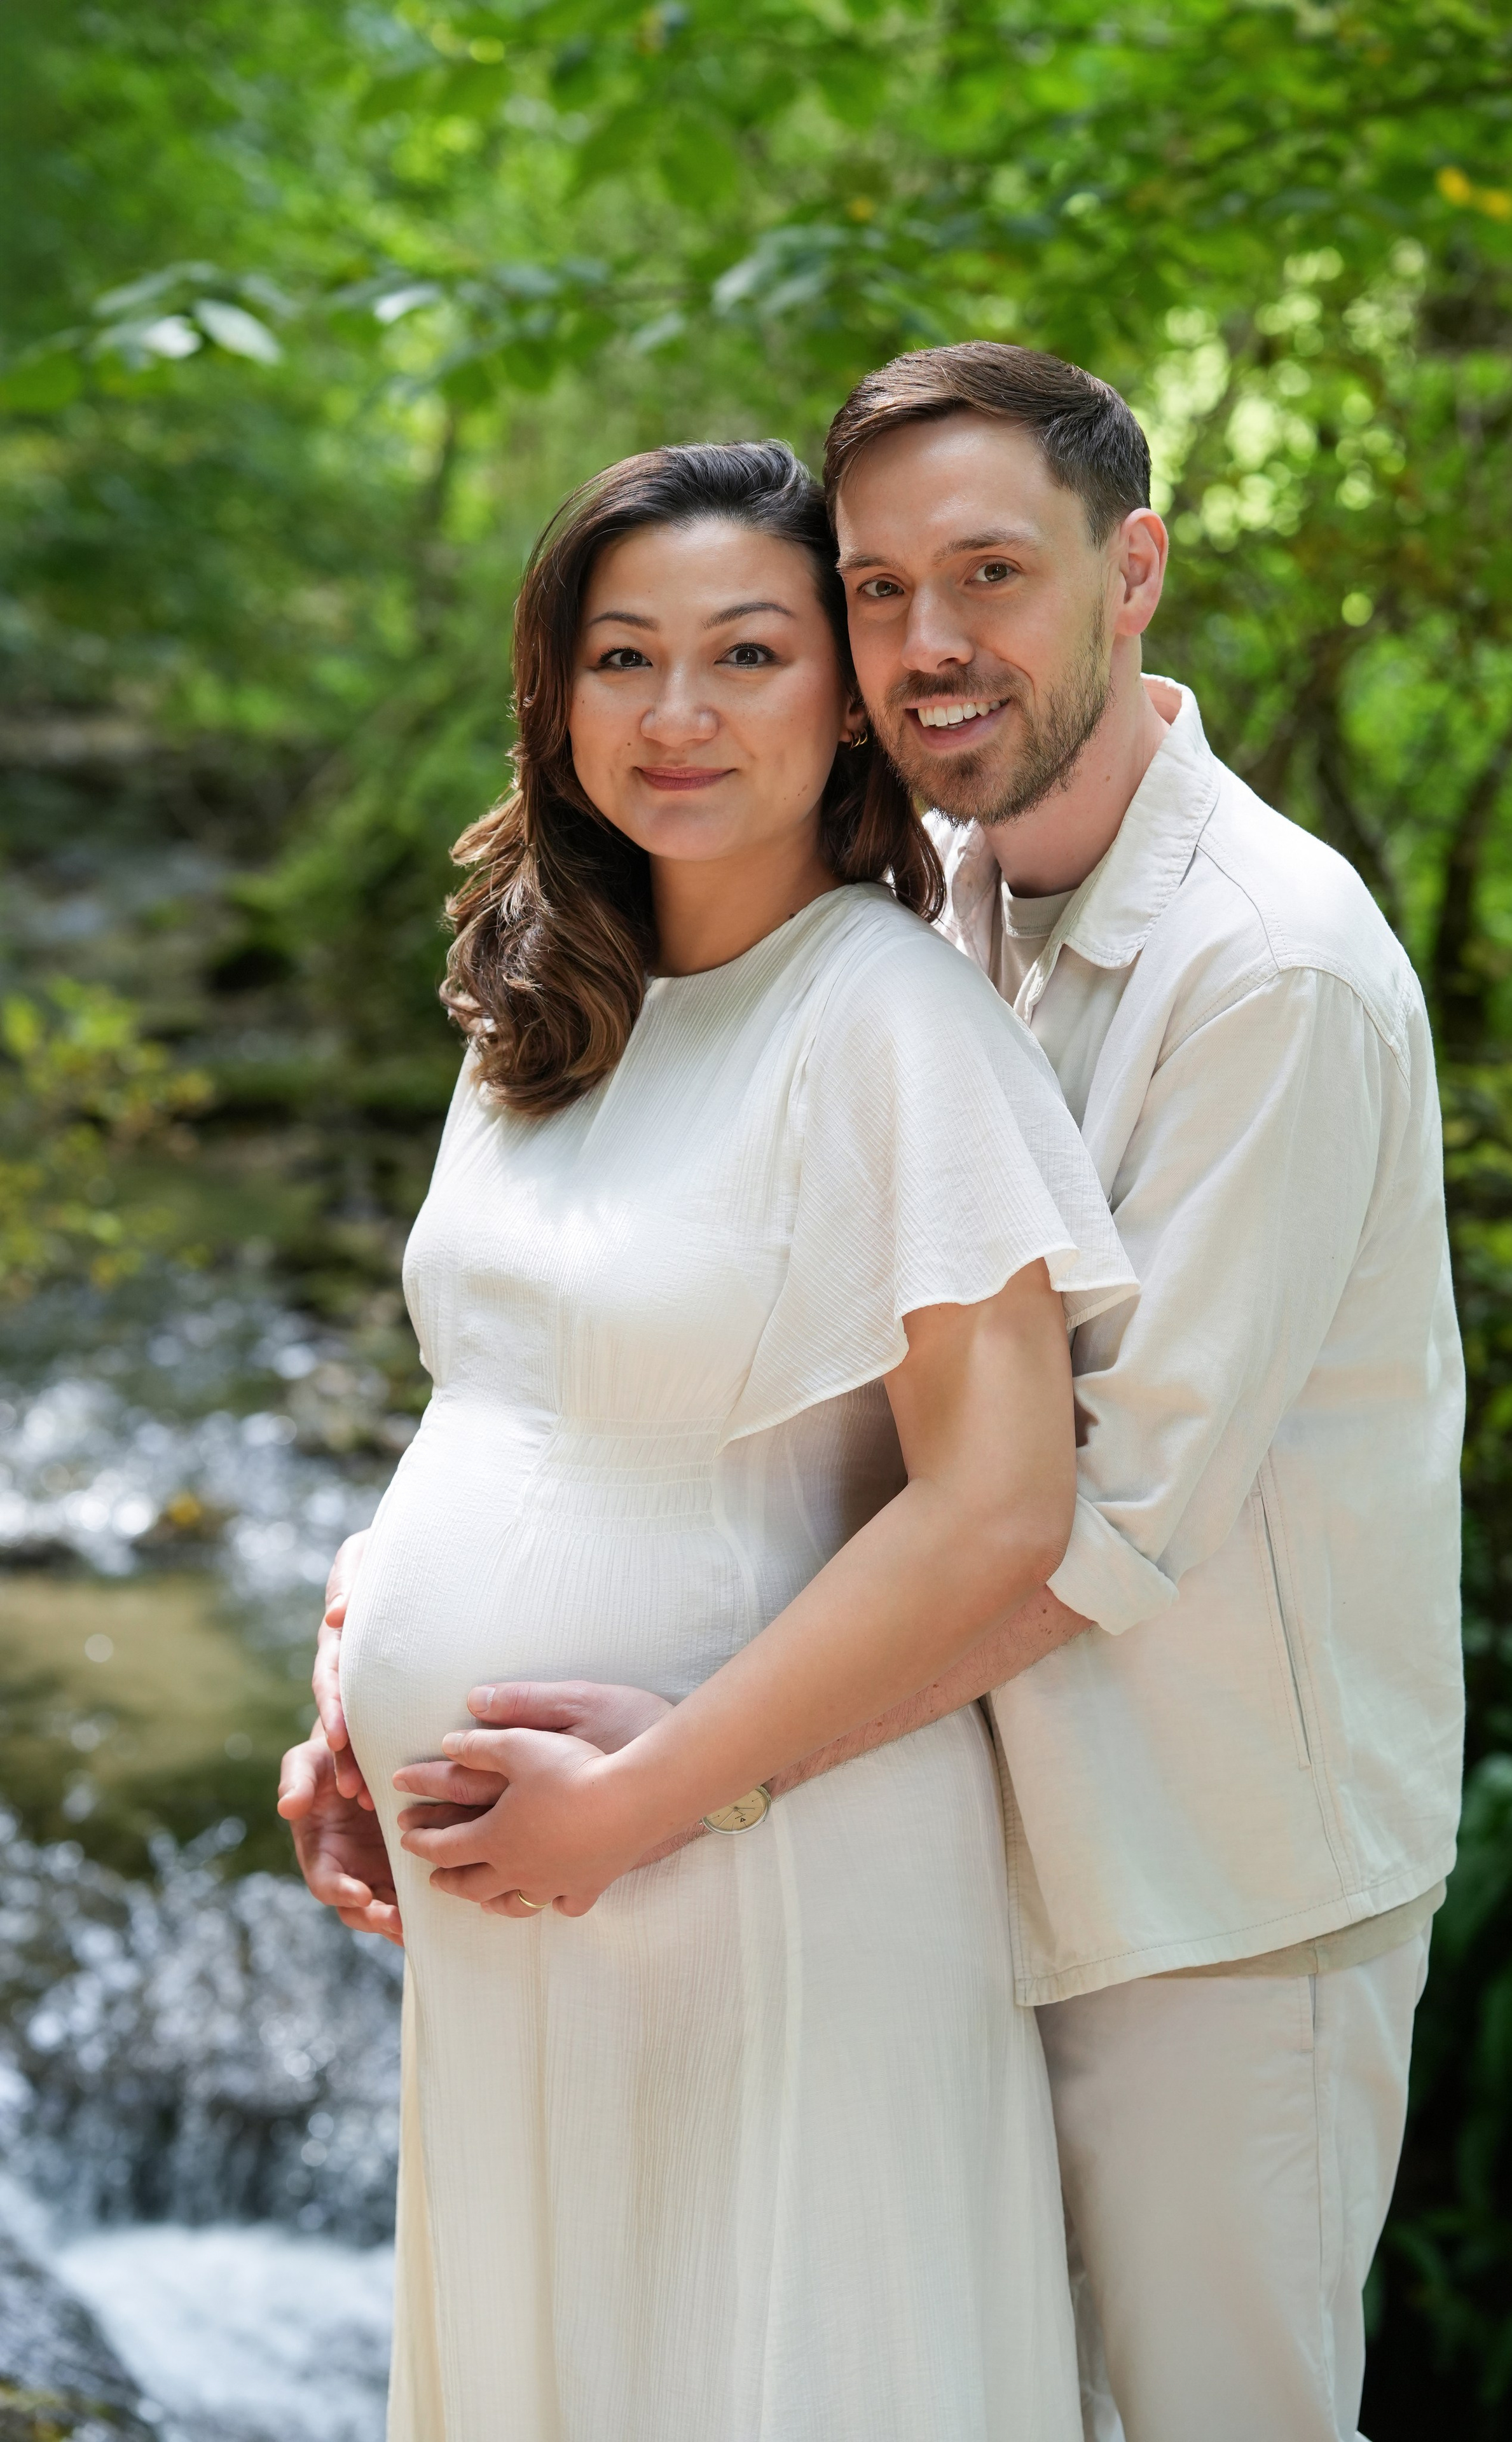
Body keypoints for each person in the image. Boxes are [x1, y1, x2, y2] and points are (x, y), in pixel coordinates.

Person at [287, 347, 1466, 2442]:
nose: (935, 644)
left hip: (1199, 1867)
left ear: (1136, 573)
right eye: (887, 588)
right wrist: (370, 1642)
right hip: (883, 1820)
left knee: (1214, 2415)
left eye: (990, 575)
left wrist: (678, 1778)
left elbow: (1091, 1506)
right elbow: (575, 1373)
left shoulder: (1257, 972)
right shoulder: (961, 880)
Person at [284, 434, 1137, 2441]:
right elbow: (518, 1397)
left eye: (748, 654)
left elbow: (1005, 1504)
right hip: (525, 1889)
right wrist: (355, 1714)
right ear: (551, 691)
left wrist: (651, 1796)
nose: (675, 716)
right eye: (621, 658)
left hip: (750, 1870)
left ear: (845, 694)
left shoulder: (888, 1020)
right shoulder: (543, 1004)